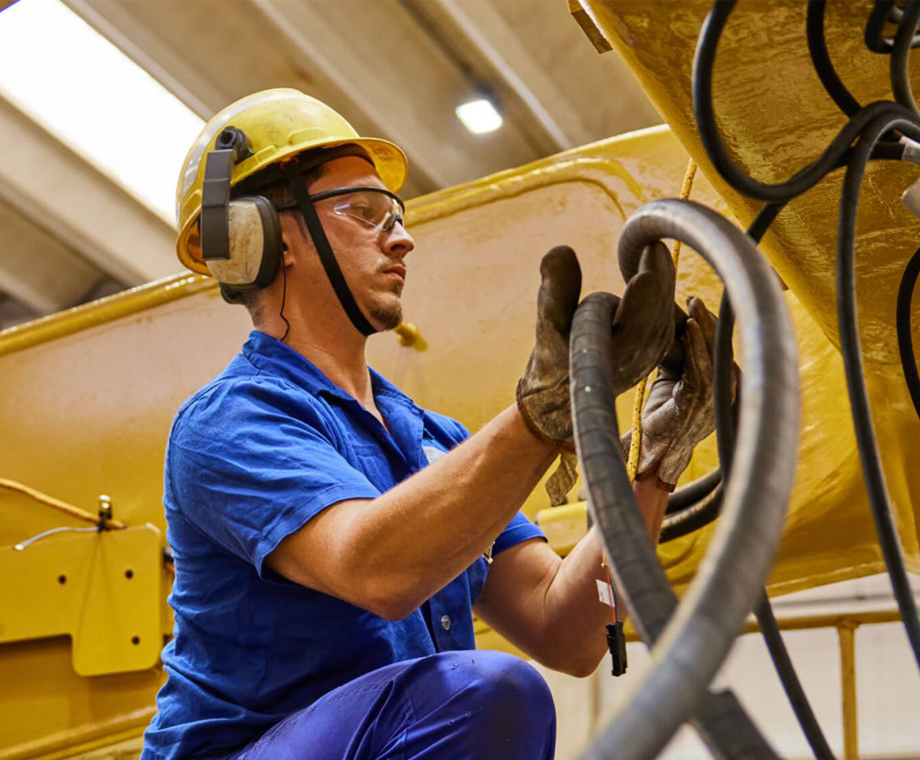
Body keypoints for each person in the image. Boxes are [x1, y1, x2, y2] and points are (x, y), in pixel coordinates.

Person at [142, 89, 720, 760]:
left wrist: (652, 464)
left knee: (492, 693)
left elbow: (570, 629)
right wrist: (541, 420)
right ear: (258, 238)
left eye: (395, 213)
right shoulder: (230, 423)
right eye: (363, 211)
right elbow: (376, 570)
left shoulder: (434, 441)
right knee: (485, 692)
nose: (403, 236)